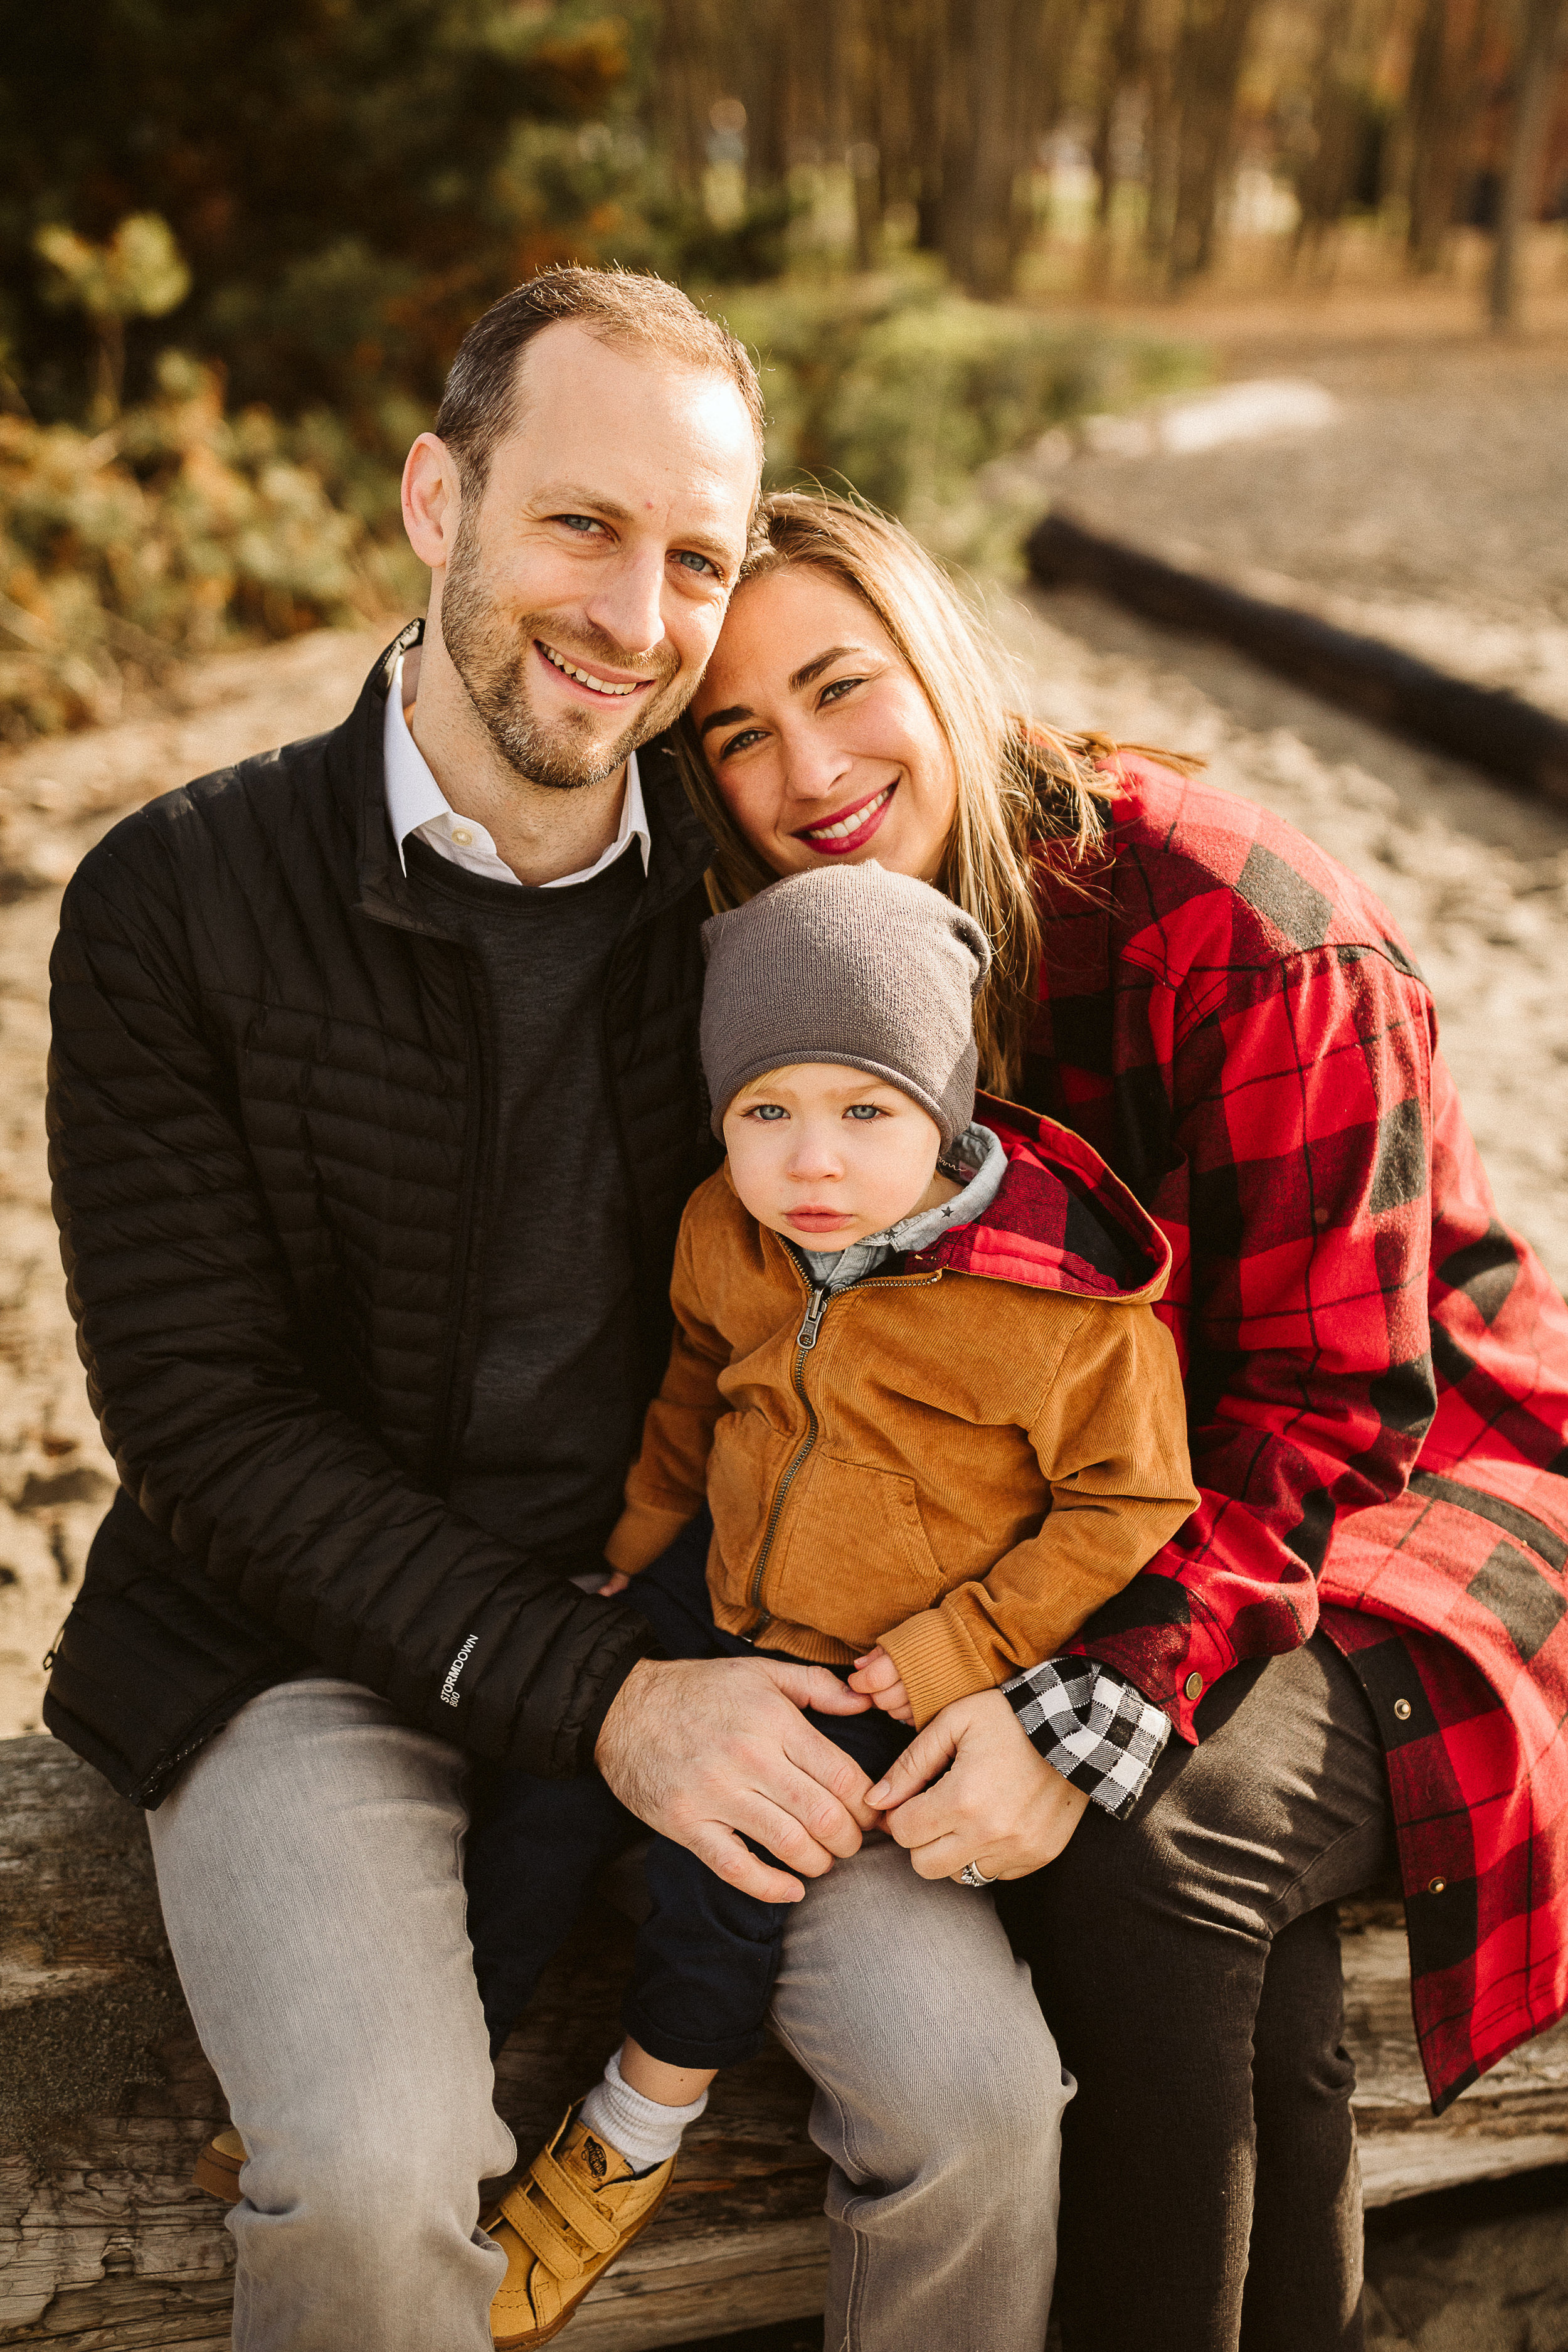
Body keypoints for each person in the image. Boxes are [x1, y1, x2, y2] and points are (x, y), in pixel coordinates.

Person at [41, 278, 1067, 2352]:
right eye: (577, 527)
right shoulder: (172, 900)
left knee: (982, 2103)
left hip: (715, 1608)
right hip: (306, 1650)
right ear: (438, 499)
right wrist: (600, 1698)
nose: (636, 614)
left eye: (697, 556)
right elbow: (203, 1423)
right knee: (372, 2170)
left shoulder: (748, 910)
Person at [677, 490, 1568, 2352]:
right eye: (736, 731)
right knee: (1249, 1963)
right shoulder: (812, 953)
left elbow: (1328, 1407)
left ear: (939, 655)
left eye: (841, 687)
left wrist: (1094, 1699)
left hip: (1423, 1473)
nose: (803, 769)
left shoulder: (1246, 932)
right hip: (1124, 1489)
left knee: (1162, 1839)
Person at [465, 861, 1197, 2345]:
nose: (811, 1160)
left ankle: (636, 2124)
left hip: (881, 1653)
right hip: (706, 1581)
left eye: (864, 1111)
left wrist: (955, 1652)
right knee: (540, 1790)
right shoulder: (722, 1231)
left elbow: (1131, 1506)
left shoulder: (1058, 1312)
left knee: (728, 1872)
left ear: (942, 1105)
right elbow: (691, 1392)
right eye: (765, 1111)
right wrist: (635, 1542)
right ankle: (440, 2071)